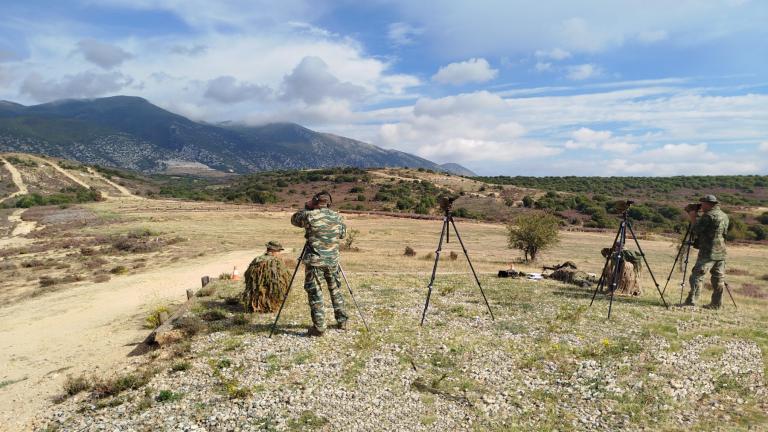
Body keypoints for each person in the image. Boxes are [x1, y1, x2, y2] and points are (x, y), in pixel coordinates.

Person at [290, 192, 348, 336]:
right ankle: (342, 321)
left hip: (315, 261)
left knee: (315, 292)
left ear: (315, 202)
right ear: (329, 203)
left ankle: (320, 327)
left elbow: (294, 220)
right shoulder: (337, 217)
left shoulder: (310, 216)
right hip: (333, 260)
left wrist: (307, 207)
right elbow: (342, 234)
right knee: (335, 290)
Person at [683, 195, 730, 309]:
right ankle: (716, 303)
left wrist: (693, 217)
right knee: (718, 278)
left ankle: (691, 301)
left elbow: (696, 230)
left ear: (709, 204)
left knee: (697, 276)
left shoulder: (708, 216)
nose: (701, 206)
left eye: (702, 204)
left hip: (708, 252)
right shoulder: (724, 215)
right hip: (721, 252)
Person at [242, 241, 290, 313]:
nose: (279, 253)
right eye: (278, 251)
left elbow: (248, 275)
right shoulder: (275, 262)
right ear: (273, 250)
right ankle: (267, 306)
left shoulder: (257, 259)